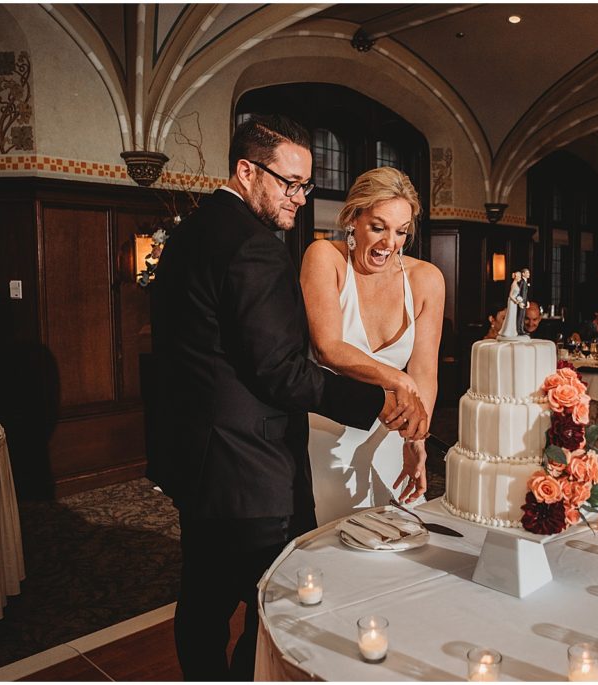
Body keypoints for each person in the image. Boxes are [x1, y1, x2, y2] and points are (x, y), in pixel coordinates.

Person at [148, 114, 427, 681]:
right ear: (246, 171)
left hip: (196, 458)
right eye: (288, 183)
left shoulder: (192, 232)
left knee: (201, 601)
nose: (299, 198)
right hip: (250, 471)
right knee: (272, 608)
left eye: (306, 185)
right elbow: (281, 371)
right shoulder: (255, 247)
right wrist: (377, 405)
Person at [300, 167, 445, 523]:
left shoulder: (427, 279)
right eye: (377, 227)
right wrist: (398, 380)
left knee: (396, 551)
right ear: (352, 219)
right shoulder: (324, 258)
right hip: (326, 436)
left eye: (400, 232)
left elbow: (424, 371)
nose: (388, 244)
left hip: (389, 438)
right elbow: (328, 348)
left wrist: (416, 439)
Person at [499, 271, 525, 338]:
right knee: (511, 316)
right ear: (516, 277)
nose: (520, 278)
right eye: (519, 276)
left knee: (513, 316)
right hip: (512, 302)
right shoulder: (513, 284)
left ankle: (512, 332)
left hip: (514, 302)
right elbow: (510, 295)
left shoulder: (516, 284)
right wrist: (515, 300)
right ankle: (508, 331)